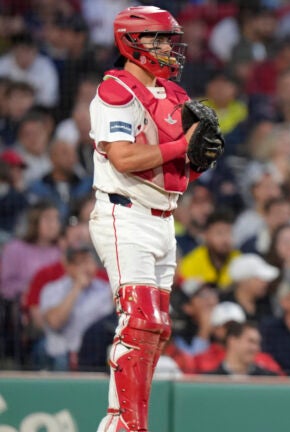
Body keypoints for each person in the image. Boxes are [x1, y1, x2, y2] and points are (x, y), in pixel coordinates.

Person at [86, 6, 222, 432]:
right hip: (124, 213)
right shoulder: (115, 91)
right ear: (132, 41)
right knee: (140, 320)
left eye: (169, 39)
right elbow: (123, 157)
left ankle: (123, 423)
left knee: (156, 326)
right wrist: (183, 146)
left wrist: (200, 158)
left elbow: (181, 165)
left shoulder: (175, 94)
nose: (168, 47)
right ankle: (125, 423)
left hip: (164, 219)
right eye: (158, 39)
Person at [39, 244, 113, 370]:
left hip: (96, 353)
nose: (85, 268)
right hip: (62, 354)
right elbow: (55, 322)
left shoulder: (105, 290)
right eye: (79, 263)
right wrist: (77, 287)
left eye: (88, 261)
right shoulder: (52, 289)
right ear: (68, 267)